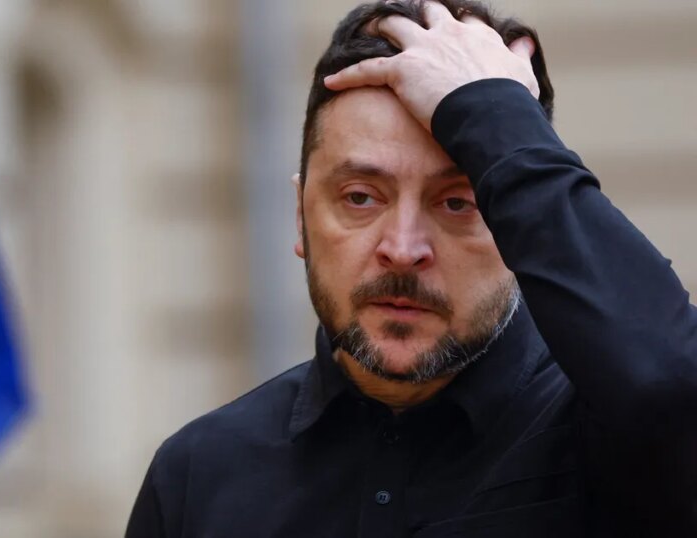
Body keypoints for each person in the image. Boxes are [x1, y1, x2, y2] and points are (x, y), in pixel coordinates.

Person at [126, 0, 697, 535]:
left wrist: (495, 112)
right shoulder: (199, 475)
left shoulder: (605, 437)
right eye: (360, 197)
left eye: (459, 202)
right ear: (300, 217)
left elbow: (669, 382)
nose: (403, 249)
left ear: (517, 221)